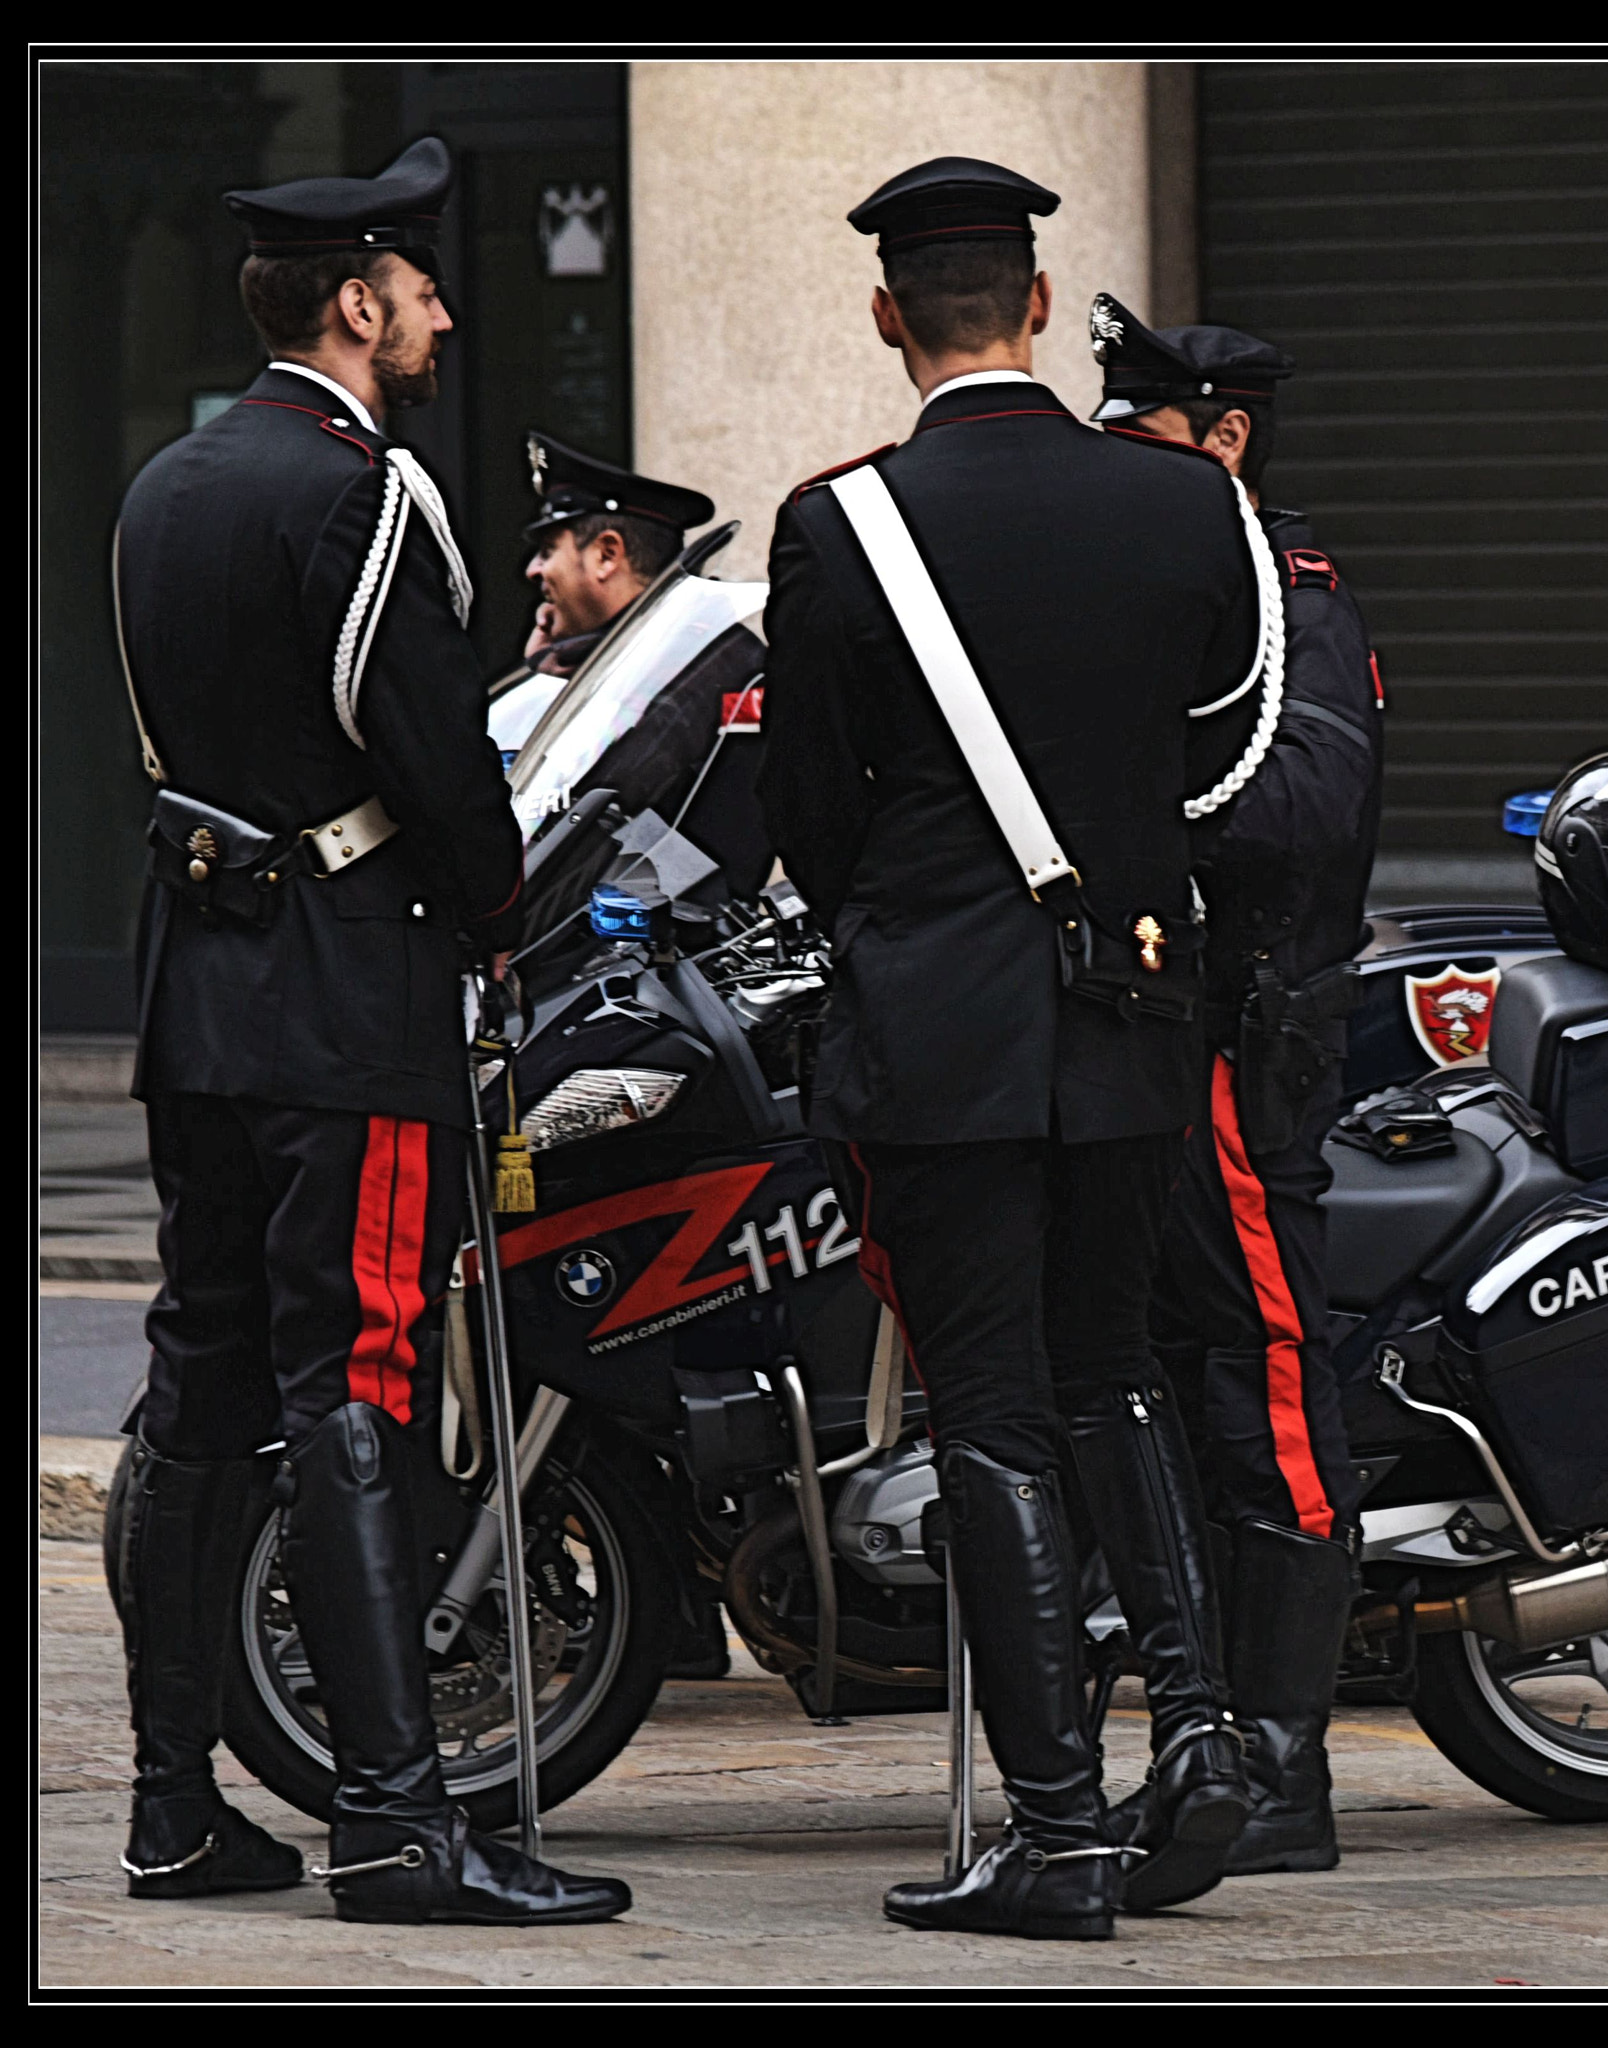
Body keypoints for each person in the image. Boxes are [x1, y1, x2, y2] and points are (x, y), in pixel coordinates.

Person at [110, 136, 629, 1926]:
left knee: (198, 1388)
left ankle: (173, 1805)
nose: (437, 315)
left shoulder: (165, 483)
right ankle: (401, 1823)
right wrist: (503, 913)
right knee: (365, 1384)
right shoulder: (371, 493)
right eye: (415, 291)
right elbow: (432, 762)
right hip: (347, 994)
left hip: (200, 989)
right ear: (354, 305)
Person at [757, 159, 1270, 1939]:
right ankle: (1198, 1733)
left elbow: (808, 812)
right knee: (1115, 1365)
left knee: (987, 1408)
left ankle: (1054, 1825)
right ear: (1040, 306)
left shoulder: (840, 528)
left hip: (940, 1021)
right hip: (1132, 1003)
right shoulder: (1182, 508)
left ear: (888, 314)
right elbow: (1224, 757)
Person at [1091, 296, 1386, 1876]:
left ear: (1223, 438)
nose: (1113, 467)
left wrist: (1128, 808)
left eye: (1140, 437)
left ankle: (1284, 1764)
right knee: (1161, 1371)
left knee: (1265, 1374)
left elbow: (1305, 800)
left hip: (1240, 1036)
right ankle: (1203, 1738)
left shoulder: (1292, 599)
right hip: (1148, 1032)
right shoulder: (1174, 581)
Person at [518, 432, 714, 675]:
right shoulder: (653, 656)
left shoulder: (693, 667)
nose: (532, 570)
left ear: (607, 555)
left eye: (548, 551)